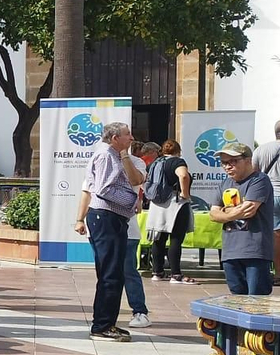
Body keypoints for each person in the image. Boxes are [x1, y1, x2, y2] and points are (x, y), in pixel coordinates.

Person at [75, 122, 144, 342]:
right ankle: (102, 326)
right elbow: (103, 189)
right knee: (110, 274)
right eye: (127, 134)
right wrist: (131, 200)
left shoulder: (113, 154)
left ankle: (106, 323)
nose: (131, 138)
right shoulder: (106, 155)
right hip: (106, 218)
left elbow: (135, 179)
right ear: (115, 138)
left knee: (113, 273)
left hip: (112, 219)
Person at [210, 141, 275, 295]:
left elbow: (248, 211)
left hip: (255, 251)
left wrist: (225, 213)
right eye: (224, 163)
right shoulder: (225, 183)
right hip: (230, 251)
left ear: (248, 160)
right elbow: (213, 214)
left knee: (257, 299)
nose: (227, 166)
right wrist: (232, 212)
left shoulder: (259, 180)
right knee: (236, 298)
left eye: (233, 161)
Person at [252, 118, 280, 285]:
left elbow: (255, 174)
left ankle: (278, 275)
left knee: (278, 236)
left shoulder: (261, 149)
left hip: (270, 197)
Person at [147, 139, 196, 284]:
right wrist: (185, 194)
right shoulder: (177, 162)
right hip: (175, 202)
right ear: (178, 151)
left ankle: (157, 272)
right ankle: (176, 274)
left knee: (158, 239)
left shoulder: (155, 163)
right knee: (176, 239)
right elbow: (183, 175)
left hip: (157, 204)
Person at [121, 142, 153, 330]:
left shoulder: (137, 162)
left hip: (128, 229)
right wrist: (80, 218)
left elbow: (136, 181)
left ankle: (140, 311)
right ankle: (105, 314)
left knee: (128, 271)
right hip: (104, 228)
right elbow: (89, 191)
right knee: (106, 274)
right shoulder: (100, 159)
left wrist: (124, 157)